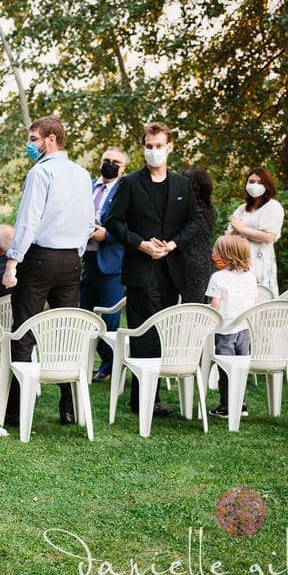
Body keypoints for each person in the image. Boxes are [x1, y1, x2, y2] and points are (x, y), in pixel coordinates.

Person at [105, 121, 202, 418]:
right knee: (144, 333)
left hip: (172, 268)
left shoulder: (183, 185)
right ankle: (143, 399)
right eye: (149, 147)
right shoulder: (130, 183)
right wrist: (140, 244)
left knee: (164, 332)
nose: (154, 151)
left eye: (159, 146)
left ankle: (154, 394)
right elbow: (113, 221)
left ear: (169, 147)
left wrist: (173, 244)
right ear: (143, 147)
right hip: (140, 268)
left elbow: (195, 221)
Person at [2, 116, 94, 426]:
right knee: (65, 331)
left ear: (50, 140)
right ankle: (67, 408)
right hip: (71, 260)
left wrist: (13, 262)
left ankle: (15, 410)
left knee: (23, 331)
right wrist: (76, 252)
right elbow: (89, 222)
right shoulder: (83, 174)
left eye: (33, 138)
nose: (30, 144)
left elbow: (28, 221)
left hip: (40, 258)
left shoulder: (40, 172)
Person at [79, 147, 127, 382]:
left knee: (109, 317)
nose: (110, 164)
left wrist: (106, 235)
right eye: (107, 160)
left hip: (111, 262)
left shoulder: (126, 190)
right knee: (85, 312)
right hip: (86, 258)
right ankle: (87, 360)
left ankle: (110, 365)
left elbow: (131, 227)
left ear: (123, 167)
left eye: (116, 161)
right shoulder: (86, 186)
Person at [205, 235, 257, 418]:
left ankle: (226, 406)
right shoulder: (251, 277)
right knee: (241, 367)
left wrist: (209, 325)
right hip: (244, 329)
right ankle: (241, 405)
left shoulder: (218, 278)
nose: (214, 254)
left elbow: (215, 306)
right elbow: (254, 301)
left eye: (217, 252)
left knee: (225, 369)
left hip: (224, 330)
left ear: (225, 255)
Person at [225, 168, 284, 295]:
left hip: (260, 259)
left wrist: (241, 229)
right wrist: (237, 231)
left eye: (260, 182)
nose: (255, 185)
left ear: (267, 185)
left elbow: (269, 236)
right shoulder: (242, 208)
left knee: (259, 294)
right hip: (238, 258)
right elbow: (228, 234)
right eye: (251, 181)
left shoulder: (273, 206)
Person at [181, 168, 217, 303]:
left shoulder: (191, 210)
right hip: (205, 260)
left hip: (190, 261)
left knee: (191, 305)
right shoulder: (210, 209)